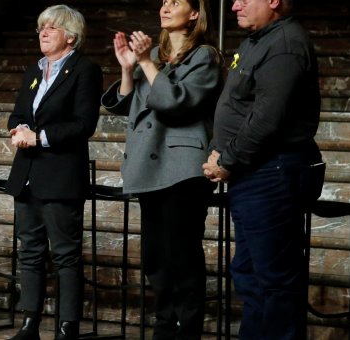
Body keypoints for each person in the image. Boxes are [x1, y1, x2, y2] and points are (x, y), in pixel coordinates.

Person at [102, 0, 223, 338]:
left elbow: (176, 102)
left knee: (182, 253)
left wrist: (144, 62)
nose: (165, 7)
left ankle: (189, 329)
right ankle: (164, 325)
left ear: (195, 13)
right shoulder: (153, 53)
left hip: (183, 168)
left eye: (176, 2)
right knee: (155, 256)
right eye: (164, 2)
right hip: (147, 164)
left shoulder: (205, 56)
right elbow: (129, 106)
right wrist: (128, 67)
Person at [202, 0, 324, 338]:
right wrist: (219, 149)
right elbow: (240, 106)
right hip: (253, 173)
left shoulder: (285, 44)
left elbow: (268, 118)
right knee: (250, 273)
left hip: (273, 173)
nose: (235, 5)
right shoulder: (257, 40)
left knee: (274, 280)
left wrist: (227, 159)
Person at [4, 5, 103, 340]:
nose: (43, 33)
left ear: (70, 36)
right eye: (40, 27)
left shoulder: (84, 69)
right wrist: (16, 128)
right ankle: (30, 322)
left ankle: (67, 326)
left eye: (51, 28)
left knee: (64, 254)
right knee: (29, 251)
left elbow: (83, 124)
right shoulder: (35, 68)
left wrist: (40, 137)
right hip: (27, 175)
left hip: (60, 176)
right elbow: (17, 112)